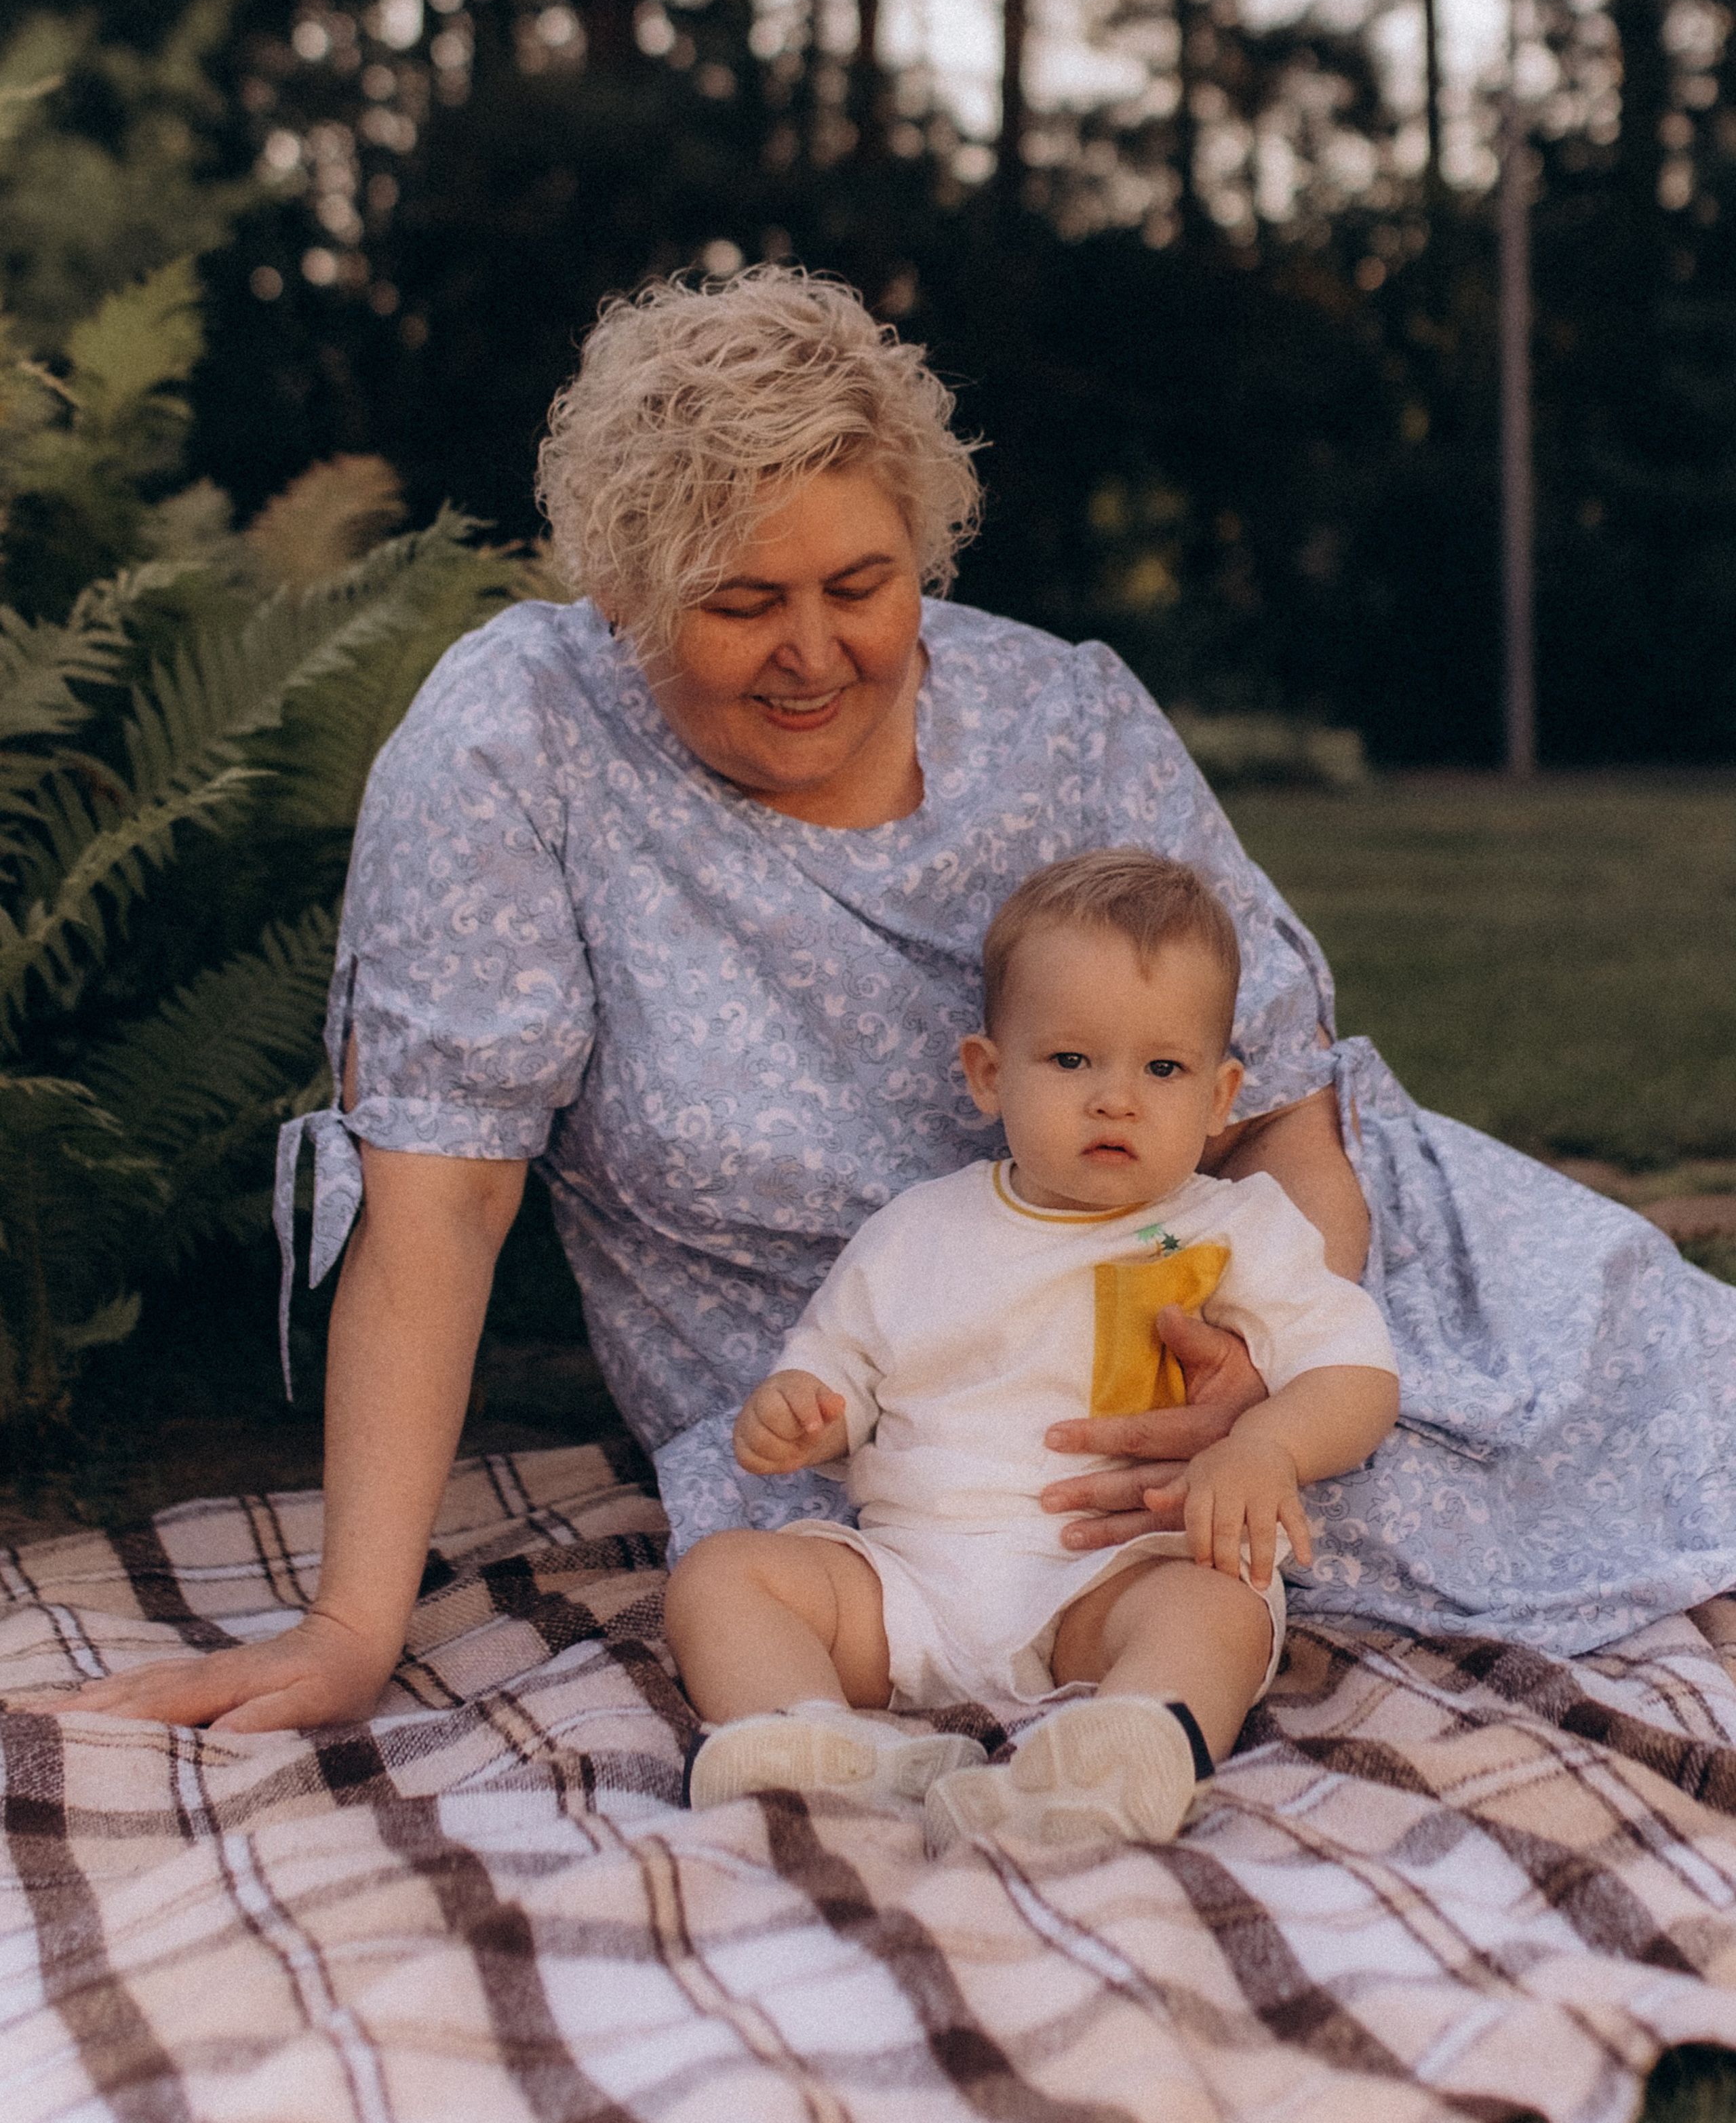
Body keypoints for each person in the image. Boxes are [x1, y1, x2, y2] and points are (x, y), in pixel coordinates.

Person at [41, 263, 1736, 1735]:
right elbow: (443, 1203)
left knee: (1668, 1421)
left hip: (1251, 1314)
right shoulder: (512, 750)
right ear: (620, 594)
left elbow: (1288, 1108)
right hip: (893, 1433)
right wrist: (351, 1632)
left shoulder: (1059, 717)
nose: (814, 651)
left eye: (861, 587)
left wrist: (1251, 1379)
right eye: (737, 602)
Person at [667, 851, 1400, 1850]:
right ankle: (811, 1744)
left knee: (1217, 1600)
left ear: (1223, 1097)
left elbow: (1353, 1372)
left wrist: (1269, 1447)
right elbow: (835, 1360)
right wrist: (802, 1405)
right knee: (721, 1577)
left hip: (1103, 1582)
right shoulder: (917, 1230)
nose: (1116, 1099)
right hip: (905, 1579)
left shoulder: (1232, 1230)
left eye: (1164, 1069)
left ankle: (1131, 1747)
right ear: (987, 1073)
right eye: (1070, 1061)